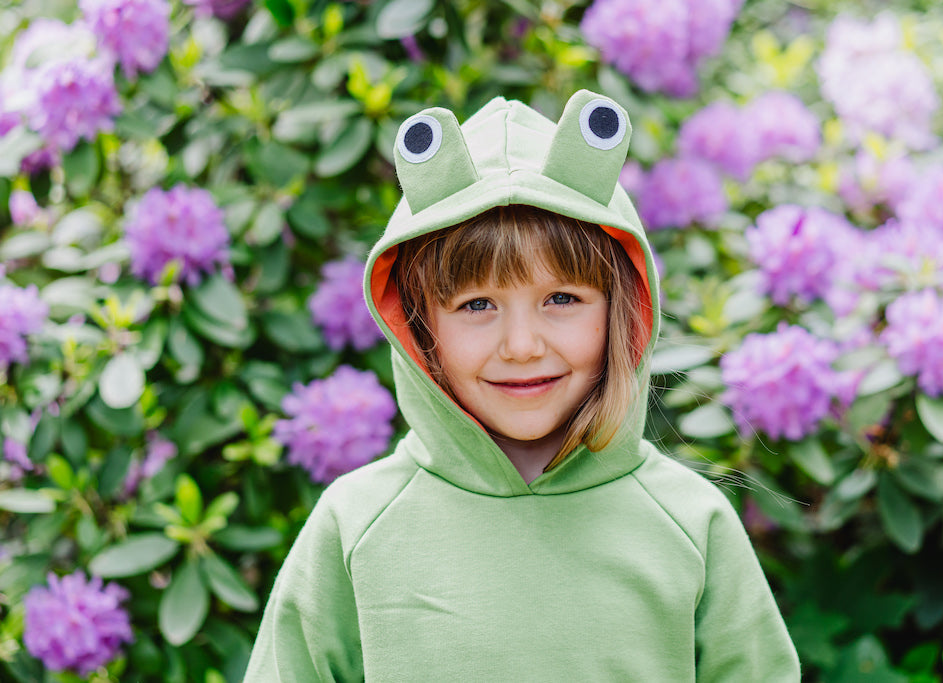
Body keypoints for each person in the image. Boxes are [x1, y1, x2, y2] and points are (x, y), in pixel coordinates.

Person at [243, 90, 801, 681]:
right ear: (417, 322)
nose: (521, 345)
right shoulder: (356, 525)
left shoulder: (692, 523)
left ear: (621, 310)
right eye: (477, 304)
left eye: (561, 299)